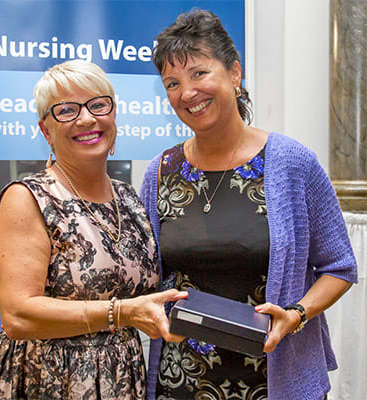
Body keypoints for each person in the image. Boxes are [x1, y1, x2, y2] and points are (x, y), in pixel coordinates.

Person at [140, 9, 358, 400]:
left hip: (277, 379)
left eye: (199, 73)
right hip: (183, 381)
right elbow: (150, 278)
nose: (186, 92)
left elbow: (339, 267)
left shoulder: (293, 163)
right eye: (172, 83)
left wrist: (297, 314)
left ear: (235, 74)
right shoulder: (160, 172)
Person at [0, 59, 188, 400]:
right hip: (43, 381)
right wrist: (122, 313)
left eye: (98, 104)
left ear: (113, 113)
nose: (87, 119)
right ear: (46, 131)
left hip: (119, 379)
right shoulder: (27, 199)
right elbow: (18, 316)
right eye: (66, 110)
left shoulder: (129, 198)